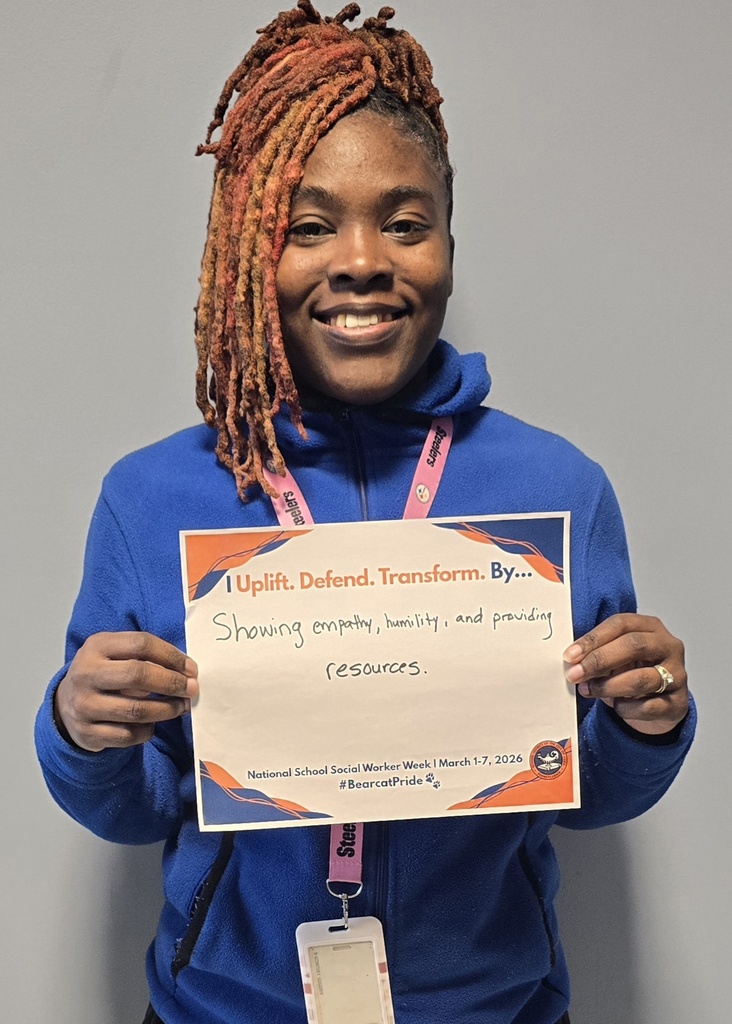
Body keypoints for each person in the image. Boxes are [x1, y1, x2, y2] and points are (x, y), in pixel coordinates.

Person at [35, 4, 694, 1023]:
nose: (360, 260)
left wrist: (648, 724)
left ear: (448, 239)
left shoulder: (559, 488)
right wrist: (84, 731)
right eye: (309, 224)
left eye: (403, 220)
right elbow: (134, 810)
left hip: (495, 1007)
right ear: (249, 250)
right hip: (223, 1009)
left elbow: (588, 791)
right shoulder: (150, 499)